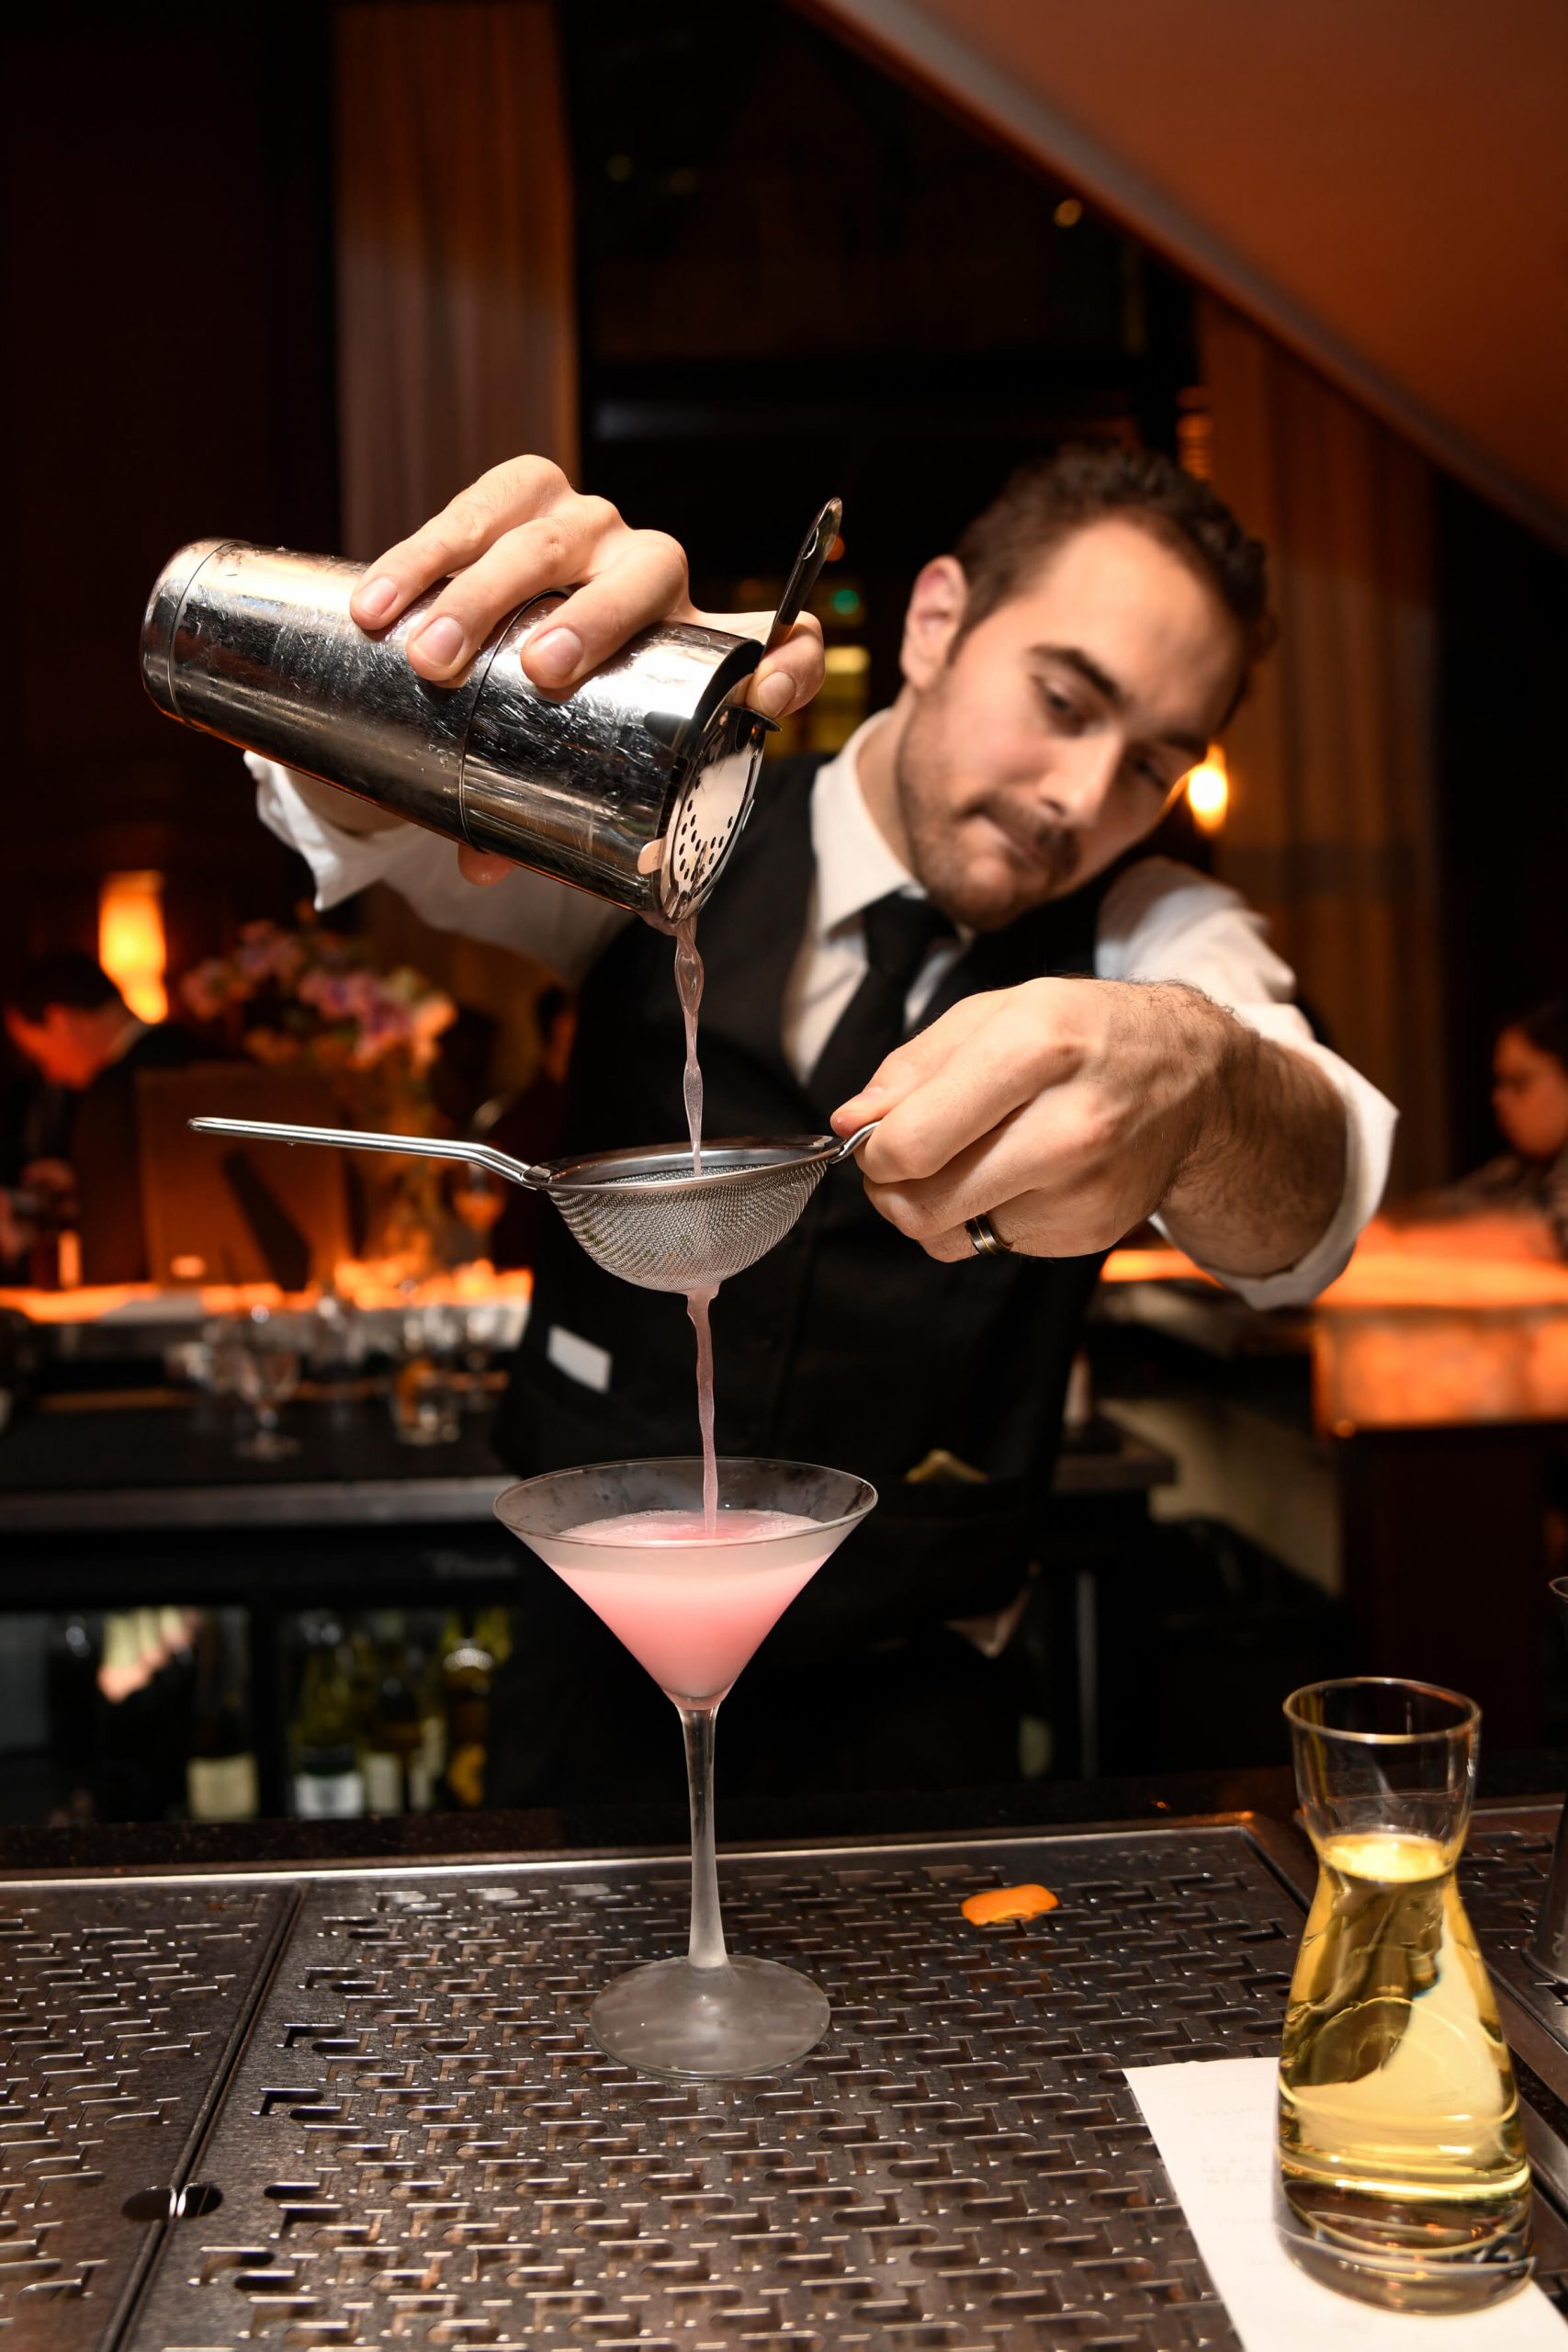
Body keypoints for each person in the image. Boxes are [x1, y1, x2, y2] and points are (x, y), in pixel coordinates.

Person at [252, 446, 1395, 1796]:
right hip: (586, 1691)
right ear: (932, 623)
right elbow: (351, 818)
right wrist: (473, 666)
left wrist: (1193, 1086)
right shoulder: (676, 824)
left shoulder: (1149, 931)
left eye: (1150, 764)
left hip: (913, 1720)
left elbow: (1314, 1203)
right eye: (1059, 700)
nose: (1079, 800)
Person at [3, 953, 205, 1283]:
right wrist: (84, 1184)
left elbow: (112, 1253)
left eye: (41, 1055)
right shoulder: (211, 1054)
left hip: (156, 1305)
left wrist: (26, 1251)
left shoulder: (113, 1090)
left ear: (60, 1020)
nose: (52, 1075)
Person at [1387, 1001, 1568, 1261]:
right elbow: (1446, 1205)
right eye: (1499, 1083)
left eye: (1519, 1083)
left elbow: (1549, 1239)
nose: (1499, 1099)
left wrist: (1398, 1242)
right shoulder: (1519, 1168)